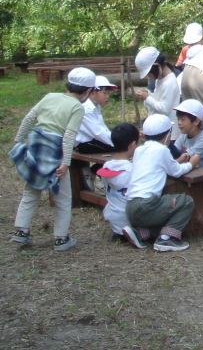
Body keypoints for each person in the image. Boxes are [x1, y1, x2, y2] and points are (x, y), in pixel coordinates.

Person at [10, 67, 96, 251]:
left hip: (36, 147)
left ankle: (21, 230)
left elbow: (28, 119)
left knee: (31, 191)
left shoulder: (49, 96)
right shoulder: (77, 107)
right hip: (54, 153)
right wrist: (65, 163)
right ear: (87, 91)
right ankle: (60, 238)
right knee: (63, 198)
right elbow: (68, 136)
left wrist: (18, 141)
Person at [123, 114, 201, 251]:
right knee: (185, 201)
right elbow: (176, 171)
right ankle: (166, 239)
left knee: (166, 208)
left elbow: (156, 166)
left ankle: (141, 233)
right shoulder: (162, 150)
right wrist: (191, 164)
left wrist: (177, 161)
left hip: (130, 207)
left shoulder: (140, 150)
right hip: (146, 206)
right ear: (168, 135)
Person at [97, 123, 139, 242]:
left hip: (114, 220)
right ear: (132, 145)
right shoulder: (132, 169)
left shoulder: (107, 166)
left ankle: (119, 232)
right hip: (130, 221)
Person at [134, 47, 181, 144]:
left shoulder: (170, 82)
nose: (149, 76)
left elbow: (164, 108)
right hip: (159, 129)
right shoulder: (160, 80)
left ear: (157, 66)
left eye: (149, 73)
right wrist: (148, 93)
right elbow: (157, 98)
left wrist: (147, 97)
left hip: (168, 133)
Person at [75, 75, 117, 155]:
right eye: (104, 93)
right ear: (93, 93)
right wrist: (116, 143)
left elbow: (103, 128)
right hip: (84, 144)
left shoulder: (96, 106)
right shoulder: (87, 109)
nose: (107, 97)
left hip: (92, 141)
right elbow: (98, 132)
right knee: (117, 149)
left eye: (108, 93)